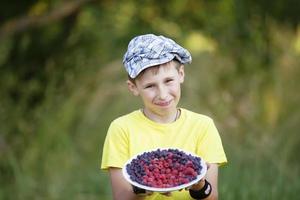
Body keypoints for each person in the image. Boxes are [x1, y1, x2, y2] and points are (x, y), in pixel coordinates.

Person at [101, 34, 227, 200]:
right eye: (150, 86)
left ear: (181, 74)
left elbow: (212, 197)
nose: (162, 94)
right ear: (133, 87)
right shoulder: (121, 129)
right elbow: (121, 196)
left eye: (168, 81)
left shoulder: (203, 126)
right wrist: (140, 189)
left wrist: (200, 186)